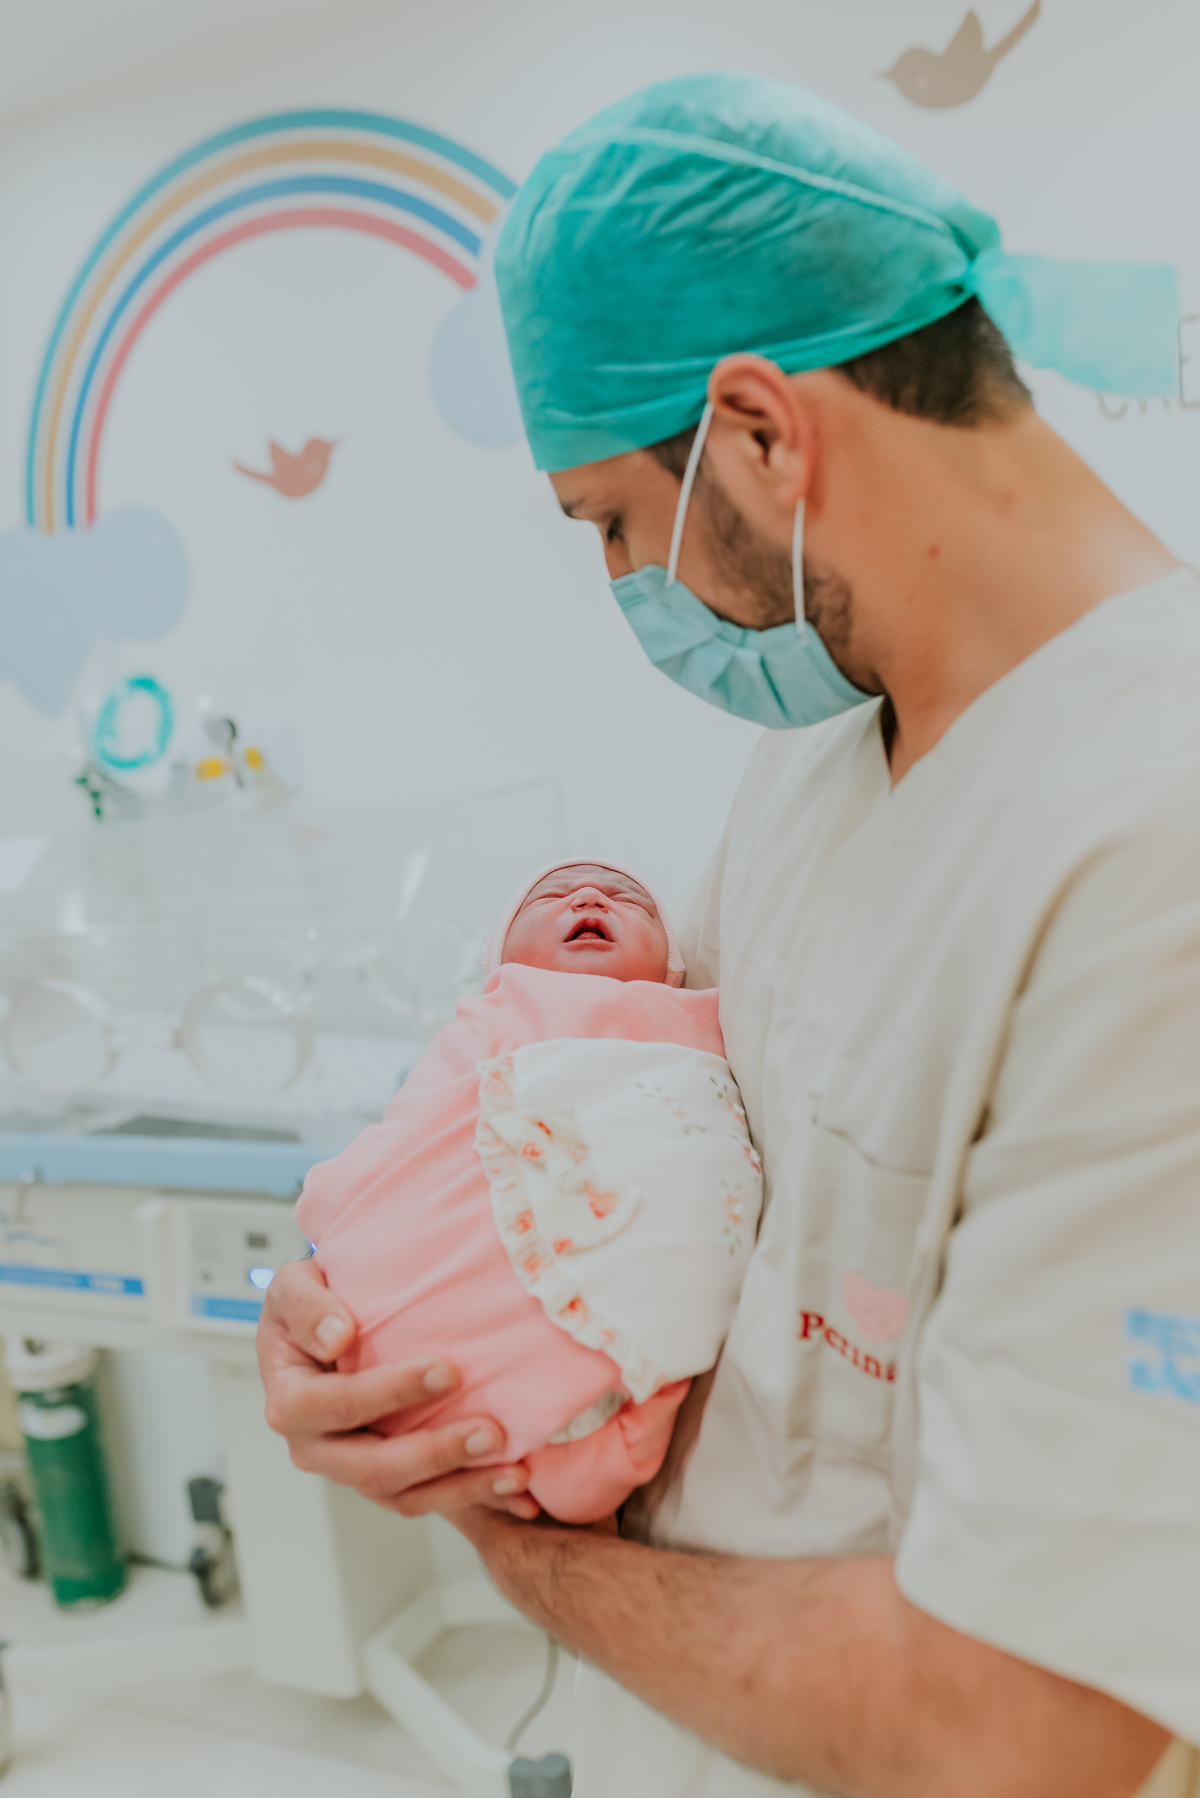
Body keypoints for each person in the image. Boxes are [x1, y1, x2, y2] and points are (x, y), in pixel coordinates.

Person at [258, 74, 1200, 1798]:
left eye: (616, 523)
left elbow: (1021, 1727)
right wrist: (368, 1319)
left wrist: (508, 1540)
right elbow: (611, 1113)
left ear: (761, 431)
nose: (632, 582)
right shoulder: (823, 754)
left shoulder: (1153, 855)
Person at [293, 858, 760, 1523]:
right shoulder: (495, 1018)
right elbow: (424, 1126)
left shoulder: (701, 1022)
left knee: (670, 1263)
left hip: (642, 1208)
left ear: (672, 969)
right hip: (493, 1205)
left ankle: (591, 1434)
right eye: (552, 897)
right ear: (502, 963)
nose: (591, 896)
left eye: (630, 900)